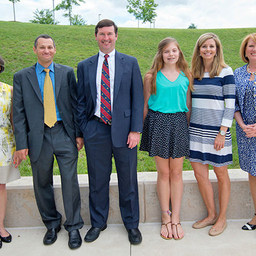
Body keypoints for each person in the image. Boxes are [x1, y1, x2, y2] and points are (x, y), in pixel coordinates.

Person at [12, 34, 84, 249]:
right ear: (35, 50)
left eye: (49, 47)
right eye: (42, 47)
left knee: (70, 181)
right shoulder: (22, 77)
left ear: (55, 49)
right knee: (41, 182)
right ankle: (52, 225)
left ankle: (73, 227)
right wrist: (21, 143)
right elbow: (18, 112)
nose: (46, 51)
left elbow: (76, 104)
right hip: (38, 136)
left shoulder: (67, 73)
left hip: (64, 133)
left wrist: (78, 134)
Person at [77, 19, 144, 245]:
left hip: (125, 131)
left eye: (110, 34)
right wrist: (83, 130)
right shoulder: (85, 65)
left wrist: (136, 130)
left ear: (116, 36)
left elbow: (138, 99)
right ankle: (98, 223)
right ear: (95, 36)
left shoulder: (130, 63)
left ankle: (132, 224)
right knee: (97, 180)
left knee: (128, 180)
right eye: (102, 34)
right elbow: (81, 101)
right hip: (95, 129)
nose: (106, 38)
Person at [140, 37, 193, 240]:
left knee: (177, 173)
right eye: (167, 51)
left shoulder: (186, 76)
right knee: (163, 173)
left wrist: (187, 129)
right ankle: (165, 217)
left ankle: (176, 218)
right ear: (161, 54)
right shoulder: (151, 77)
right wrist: (144, 130)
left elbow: (187, 105)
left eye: (174, 51)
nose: (171, 54)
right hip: (158, 123)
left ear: (179, 53)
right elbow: (145, 105)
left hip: (179, 123)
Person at [189, 33, 236, 236]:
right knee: (200, 174)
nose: (207, 50)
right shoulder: (194, 72)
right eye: (204, 46)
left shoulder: (226, 72)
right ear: (198, 49)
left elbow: (230, 105)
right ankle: (210, 215)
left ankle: (222, 218)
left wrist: (222, 133)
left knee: (220, 174)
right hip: (196, 132)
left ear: (217, 49)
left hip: (218, 132)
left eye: (211, 46)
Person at [234, 33, 256, 231]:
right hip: (246, 133)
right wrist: (243, 125)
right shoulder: (238, 73)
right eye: (251, 45)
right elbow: (234, 105)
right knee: (253, 173)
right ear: (245, 49)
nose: (254, 49)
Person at [0, 56, 20, 249]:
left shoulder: (9, 90)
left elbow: (15, 120)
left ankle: (0, 226)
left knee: (0, 187)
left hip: (3, 144)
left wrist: (20, 147)